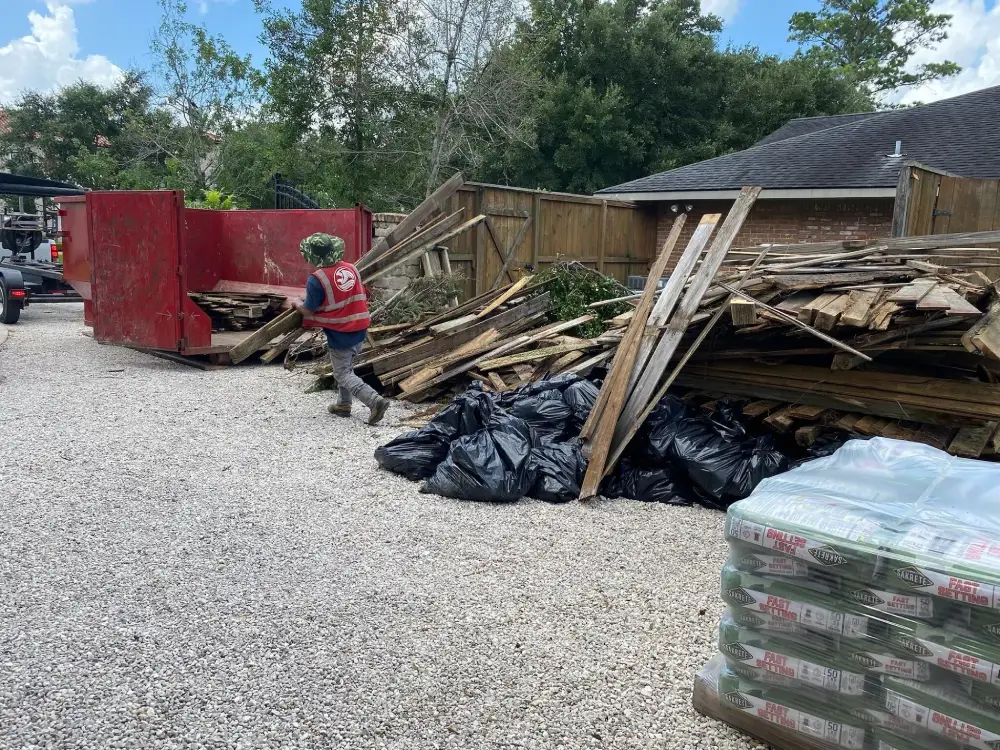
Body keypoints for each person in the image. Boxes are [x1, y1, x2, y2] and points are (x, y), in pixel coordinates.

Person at [292, 233, 389, 425]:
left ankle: (374, 401)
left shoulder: (316, 279)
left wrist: (296, 302)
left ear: (312, 256)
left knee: (341, 373)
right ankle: (344, 405)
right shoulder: (351, 268)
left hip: (341, 332)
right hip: (360, 327)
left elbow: (308, 310)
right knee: (347, 367)